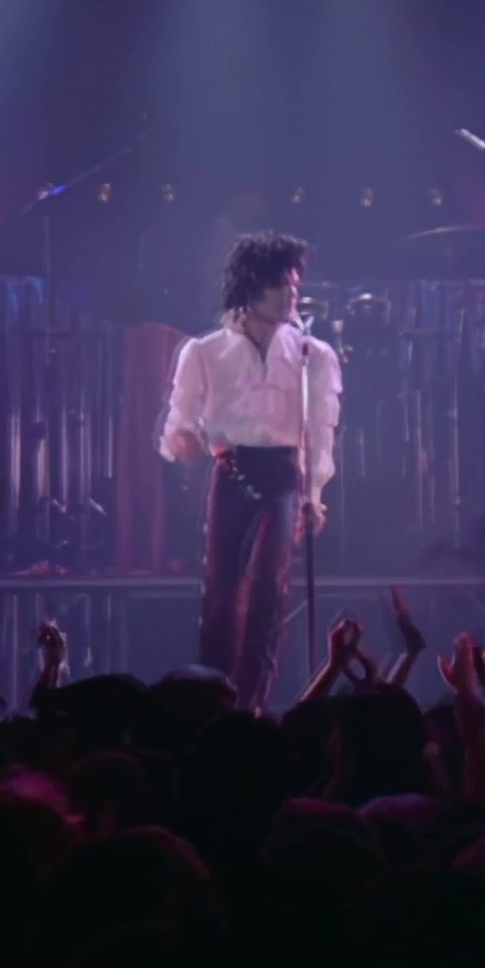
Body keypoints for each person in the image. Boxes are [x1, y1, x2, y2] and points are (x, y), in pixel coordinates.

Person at [159, 232, 342, 711]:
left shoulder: (311, 355)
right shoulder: (204, 352)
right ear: (251, 286)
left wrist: (314, 494)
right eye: (279, 285)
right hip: (233, 471)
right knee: (221, 594)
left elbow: (319, 432)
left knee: (267, 591)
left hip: (283, 477)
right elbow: (181, 420)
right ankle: (210, 698)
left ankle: (250, 703)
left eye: (294, 285)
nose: (289, 295)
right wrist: (184, 440)